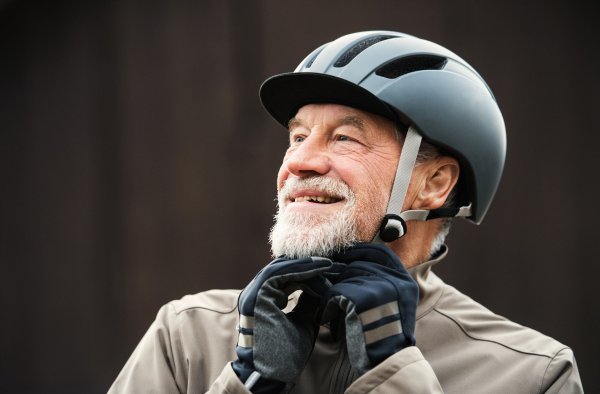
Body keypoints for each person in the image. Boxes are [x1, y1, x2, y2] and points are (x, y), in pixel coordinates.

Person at [108, 31, 583, 393]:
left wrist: (394, 372)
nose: (298, 161)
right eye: (297, 137)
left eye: (344, 138)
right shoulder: (188, 335)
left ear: (434, 184)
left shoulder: (533, 372)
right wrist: (248, 383)